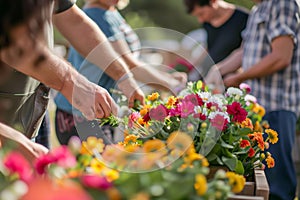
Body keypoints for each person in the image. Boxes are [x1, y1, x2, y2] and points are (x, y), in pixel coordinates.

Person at [0, 0, 144, 149]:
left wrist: (123, 76)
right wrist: (71, 83)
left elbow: (73, 20)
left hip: (30, 111)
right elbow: (12, 43)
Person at [54, 0, 187, 145]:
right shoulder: (98, 15)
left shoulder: (110, 12)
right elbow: (127, 63)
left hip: (100, 108)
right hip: (83, 112)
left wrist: (166, 77)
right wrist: (171, 85)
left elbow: (131, 60)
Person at [205, 0, 300, 199]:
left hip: (277, 106)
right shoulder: (259, 9)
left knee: (278, 185)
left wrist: (240, 77)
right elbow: (244, 51)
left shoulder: (282, 3)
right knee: (263, 180)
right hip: (258, 107)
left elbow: (281, 56)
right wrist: (218, 69)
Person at [183, 0, 249, 79]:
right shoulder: (207, 22)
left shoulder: (244, 18)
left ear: (213, 2)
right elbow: (210, 46)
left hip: (229, 80)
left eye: (201, 14)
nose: (200, 20)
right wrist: (188, 67)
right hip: (207, 77)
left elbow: (244, 53)